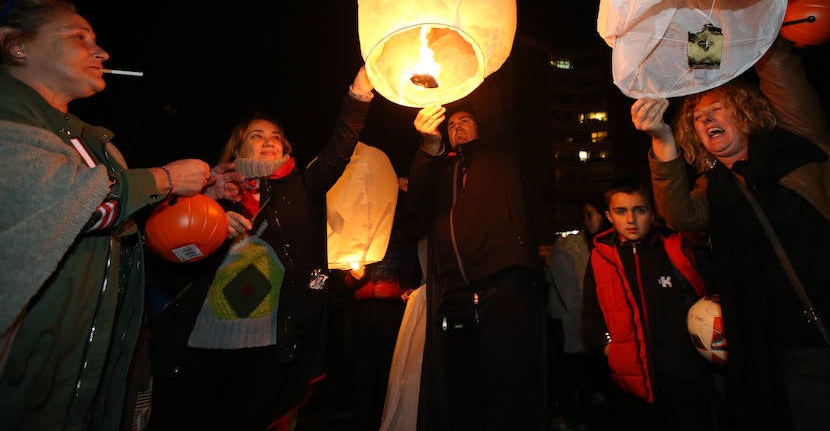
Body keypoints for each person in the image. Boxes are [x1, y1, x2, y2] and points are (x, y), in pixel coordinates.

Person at [630, 36, 830, 431]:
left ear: (743, 113)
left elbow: (780, 72)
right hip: (796, 351)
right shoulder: (714, 188)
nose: (706, 120)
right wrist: (661, 138)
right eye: (697, 120)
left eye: (716, 109)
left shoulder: (797, 139)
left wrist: (753, 27)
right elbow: (680, 214)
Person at [0, 0, 215, 430]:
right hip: (24, 377)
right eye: (79, 37)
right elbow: (87, 203)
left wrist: (207, 194)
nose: (101, 52)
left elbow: (122, 219)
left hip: (84, 367)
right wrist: (165, 178)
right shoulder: (8, 120)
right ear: (16, 45)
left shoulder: (95, 143)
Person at [148, 65, 374, 431]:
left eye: (276, 136)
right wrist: (212, 223)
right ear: (238, 146)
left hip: (271, 343)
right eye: (257, 135)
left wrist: (359, 93)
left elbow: (339, 150)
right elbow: (170, 261)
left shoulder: (303, 189)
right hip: (204, 343)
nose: (269, 140)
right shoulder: (207, 191)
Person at [406, 102, 546, 431]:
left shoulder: (501, 156)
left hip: (504, 281)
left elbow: (500, 110)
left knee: (508, 377)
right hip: (455, 290)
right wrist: (429, 146)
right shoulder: (441, 170)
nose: (457, 127)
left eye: (465, 120)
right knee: (464, 380)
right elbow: (417, 199)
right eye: (451, 124)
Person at [582, 178, 722, 431]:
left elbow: (707, 294)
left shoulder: (675, 248)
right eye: (621, 211)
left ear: (653, 212)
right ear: (609, 216)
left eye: (640, 210)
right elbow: (591, 314)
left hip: (684, 379)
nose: (631, 219)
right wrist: (609, 348)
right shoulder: (600, 258)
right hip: (632, 384)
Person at [335, 176, 424, 431]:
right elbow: (340, 283)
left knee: (392, 371)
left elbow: (421, 224)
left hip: (394, 310)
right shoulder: (355, 228)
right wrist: (353, 277)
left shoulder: (405, 222)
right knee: (362, 375)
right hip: (361, 313)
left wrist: (408, 193)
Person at [546, 199, 611, 430]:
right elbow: (570, 292)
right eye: (584, 215)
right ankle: (567, 414)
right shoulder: (568, 248)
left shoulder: (603, 245)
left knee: (584, 369)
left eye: (590, 214)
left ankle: (582, 408)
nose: (586, 220)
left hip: (588, 322)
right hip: (569, 323)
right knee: (569, 370)